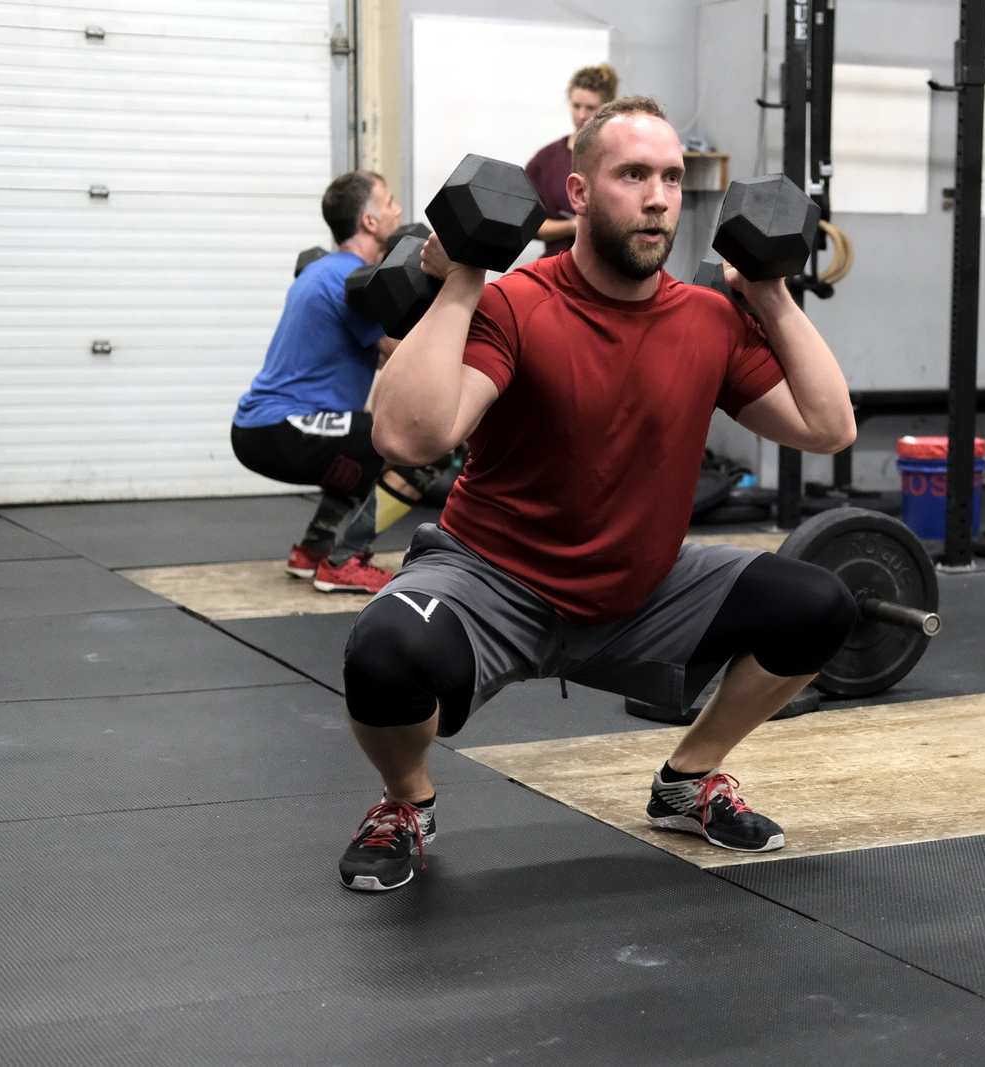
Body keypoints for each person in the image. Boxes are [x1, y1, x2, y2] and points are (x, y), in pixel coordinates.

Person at [335, 96, 859, 892]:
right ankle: (407, 801)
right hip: (492, 580)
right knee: (382, 652)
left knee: (820, 604)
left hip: (643, 587)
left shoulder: (709, 322)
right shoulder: (517, 304)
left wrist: (771, 293)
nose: (658, 198)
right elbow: (409, 439)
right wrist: (464, 275)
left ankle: (689, 778)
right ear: (578, 193)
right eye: (633, 175)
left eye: (673, 179)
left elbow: (827, 428)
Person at [231, 170, 449, 594]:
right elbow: (402, 357)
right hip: (277, 426)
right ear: (369, 222)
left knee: (358, 447)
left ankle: (312, 551)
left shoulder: (331, 271)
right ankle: (347, 558)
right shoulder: (350, 281)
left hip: (264, 428)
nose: (398, 210)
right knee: (422, 446)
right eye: (388, 202)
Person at [524, 63, 618, 258]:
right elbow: (528, 223)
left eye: (590, 108)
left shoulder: (621, 156)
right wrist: (571, 226)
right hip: (556, 265)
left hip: (610, 268)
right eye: (576, 106)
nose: (582, 115)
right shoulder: (546, 160)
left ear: (607, 108)